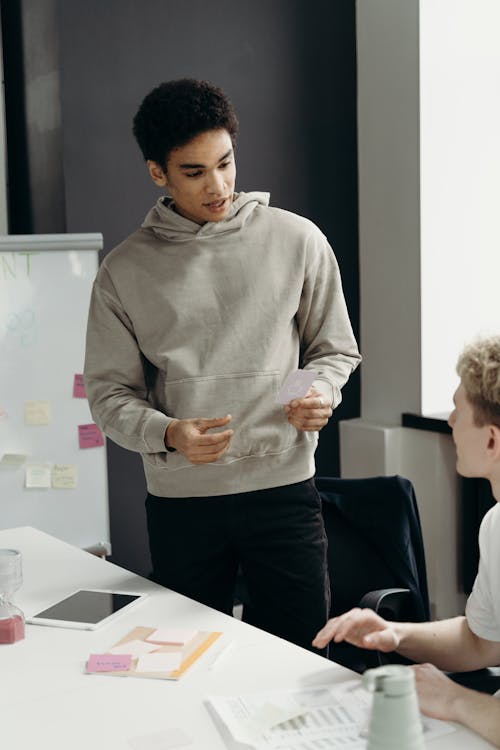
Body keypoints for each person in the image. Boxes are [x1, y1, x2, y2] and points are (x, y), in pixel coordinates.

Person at [84, 78, 361, 652]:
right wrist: (168, 434)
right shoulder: (124, 270)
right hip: (183, 505)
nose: (218, 186)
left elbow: (329, 349)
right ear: (157, 172)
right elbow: (110, 396)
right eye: (194, 172)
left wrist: (311, 393)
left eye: (226, 163)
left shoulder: (297, 240)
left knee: (302, 661)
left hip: (284, 491)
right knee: (186, 665)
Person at [313, 336, 500, 746]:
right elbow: (482, 642)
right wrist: (395, 633)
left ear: (491, 440)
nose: (450, 421)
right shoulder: (495, 524)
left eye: (458, 410)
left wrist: (453, 699)